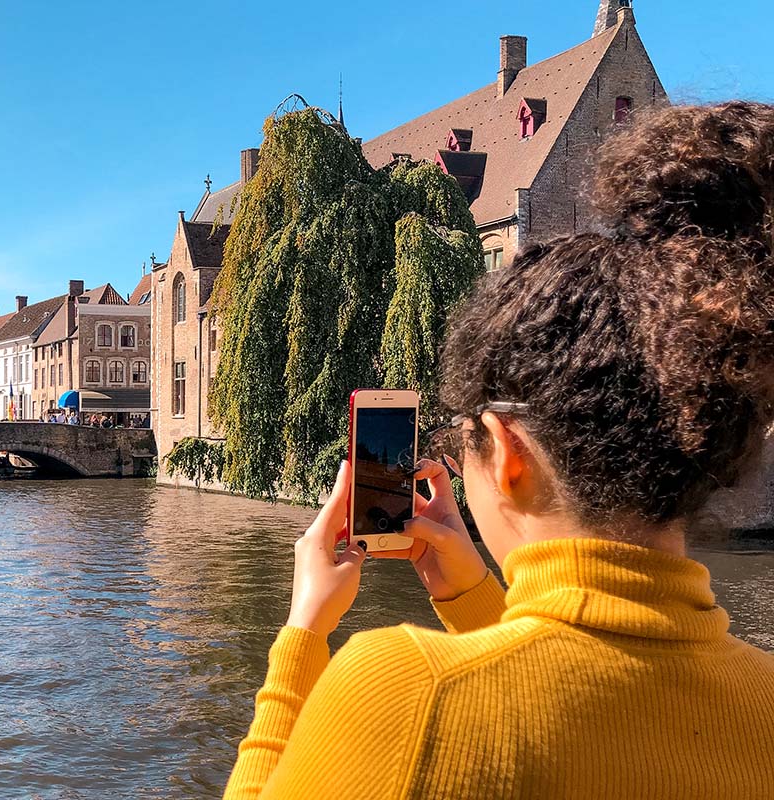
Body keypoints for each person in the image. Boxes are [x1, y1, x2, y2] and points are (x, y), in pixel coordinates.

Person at [223, 103, 774, 799]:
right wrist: (469, 594)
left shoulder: (404, 689)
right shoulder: (762, 699)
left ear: (510, 455)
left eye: (463, 435)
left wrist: (303, 632)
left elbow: (531, 710)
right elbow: (583, 705)